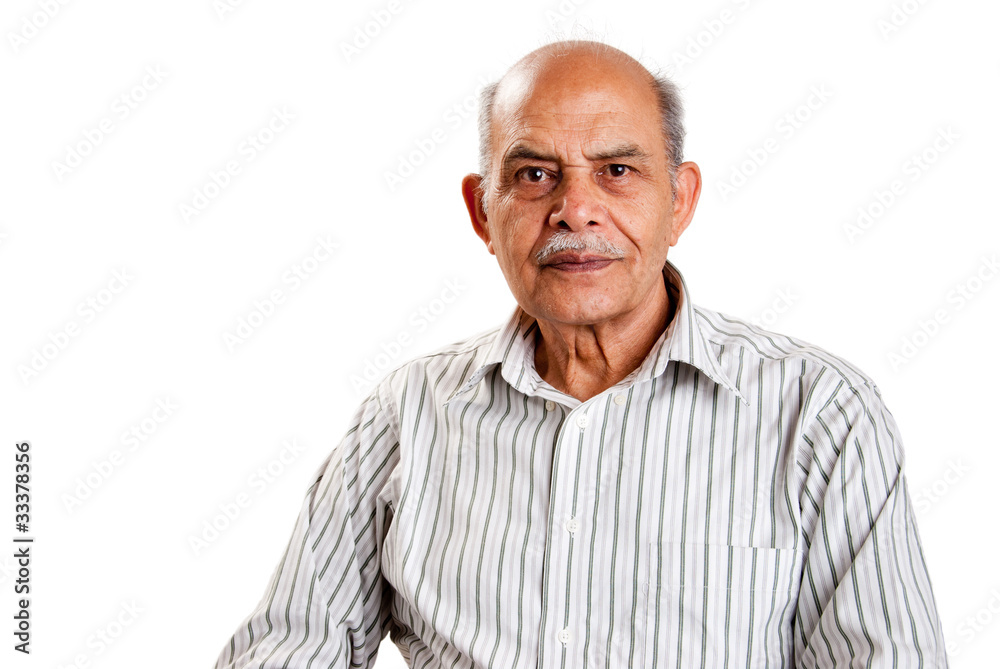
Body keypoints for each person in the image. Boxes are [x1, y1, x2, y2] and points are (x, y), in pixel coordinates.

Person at [213, 40, 948, 668]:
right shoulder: (406, 416)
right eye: (534, 174)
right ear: (482, 212)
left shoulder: (817, 411)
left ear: (681, 202)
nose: (575, 207)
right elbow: (287, 650)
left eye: (617, 171)